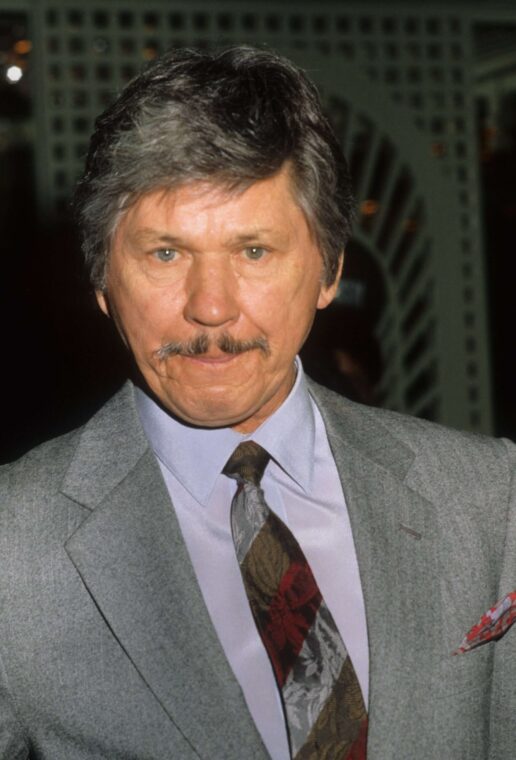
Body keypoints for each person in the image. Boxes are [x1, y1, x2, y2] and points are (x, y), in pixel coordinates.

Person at [0, 46, 514, 760]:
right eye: (165, 254)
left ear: (329, 270)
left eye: (254, 252)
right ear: (101, 281)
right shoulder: (14, 548)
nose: (211, 309)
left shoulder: (489, 500)